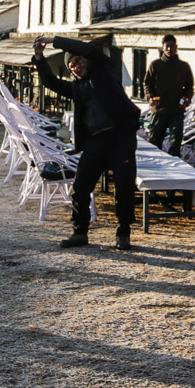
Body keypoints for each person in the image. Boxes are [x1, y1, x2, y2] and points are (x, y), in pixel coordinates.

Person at [33, 34, 141, 249]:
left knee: (124, 186)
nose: (76, 66)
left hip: (120, 138)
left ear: (88, 59)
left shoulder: (104, 71)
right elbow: (50, 82)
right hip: (94, 141)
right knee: (81, 187)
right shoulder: (76, 88)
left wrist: (54, 40)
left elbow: (89, 50)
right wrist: (39, 56)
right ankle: (79, 232)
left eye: (78, 60)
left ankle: (123, 232)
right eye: (71, 65)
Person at [144, 35, 195, 157]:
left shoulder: (183, 66)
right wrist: (151, 97)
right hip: (159, 110)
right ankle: (155, 169)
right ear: (162, 47)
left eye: (172, 46)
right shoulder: (155, 65)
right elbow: (147, 84)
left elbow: (189, 86)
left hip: (176, 110)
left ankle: (174, 170)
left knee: (175, 142)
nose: (169, 49)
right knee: (154, 142)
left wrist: (186, 99)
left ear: (176, 47)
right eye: (167, 46)